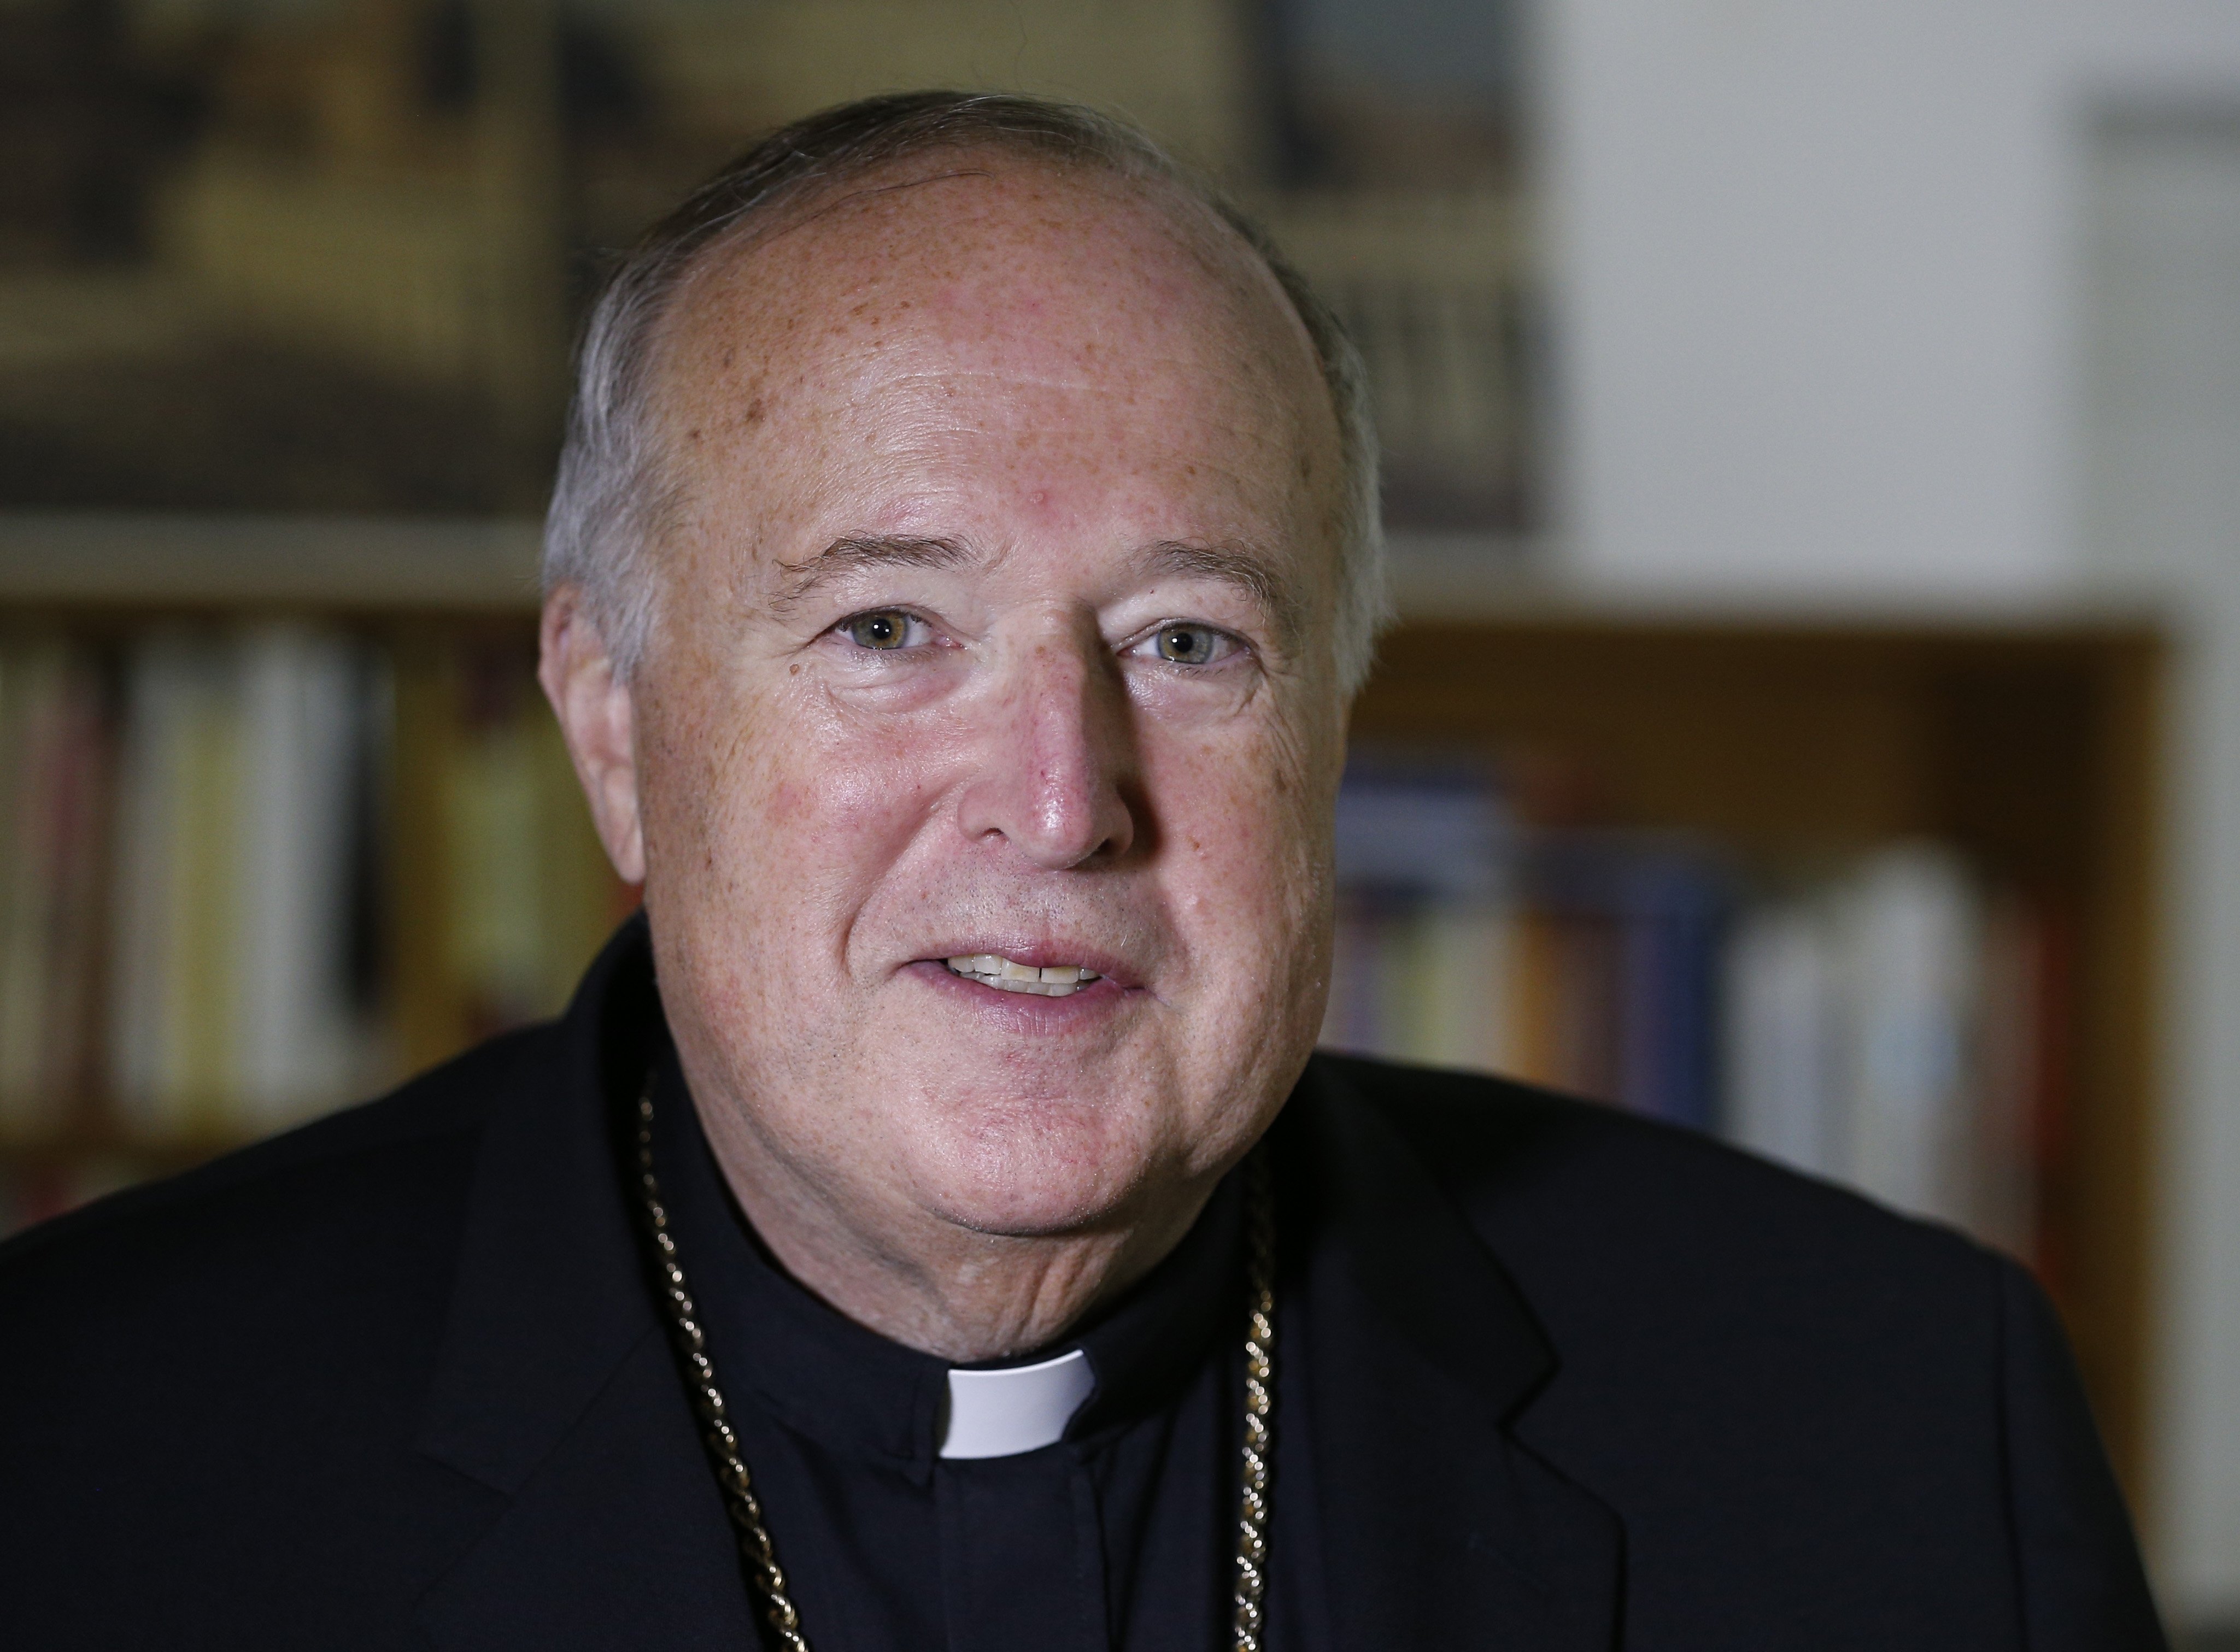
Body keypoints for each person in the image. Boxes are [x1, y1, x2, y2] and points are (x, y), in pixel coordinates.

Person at [0, 92, 2165, 1650]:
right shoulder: (85, 1454)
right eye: (883, 628)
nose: (1059, 802)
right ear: (611, 726)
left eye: (1186, 643)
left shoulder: (1886, 1430)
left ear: (1330, 729)